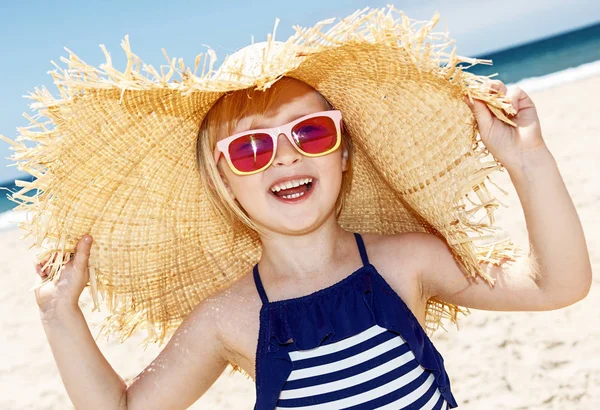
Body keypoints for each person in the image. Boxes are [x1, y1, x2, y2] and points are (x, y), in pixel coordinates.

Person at [21, 8, 591, 410]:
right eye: (250, 147)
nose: (285, 157)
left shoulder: (405, 262)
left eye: (310, 132)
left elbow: (556, 286)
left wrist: (528, 162)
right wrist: (58, 313)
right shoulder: (228, 317)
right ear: (225, 182)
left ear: (343, 155)